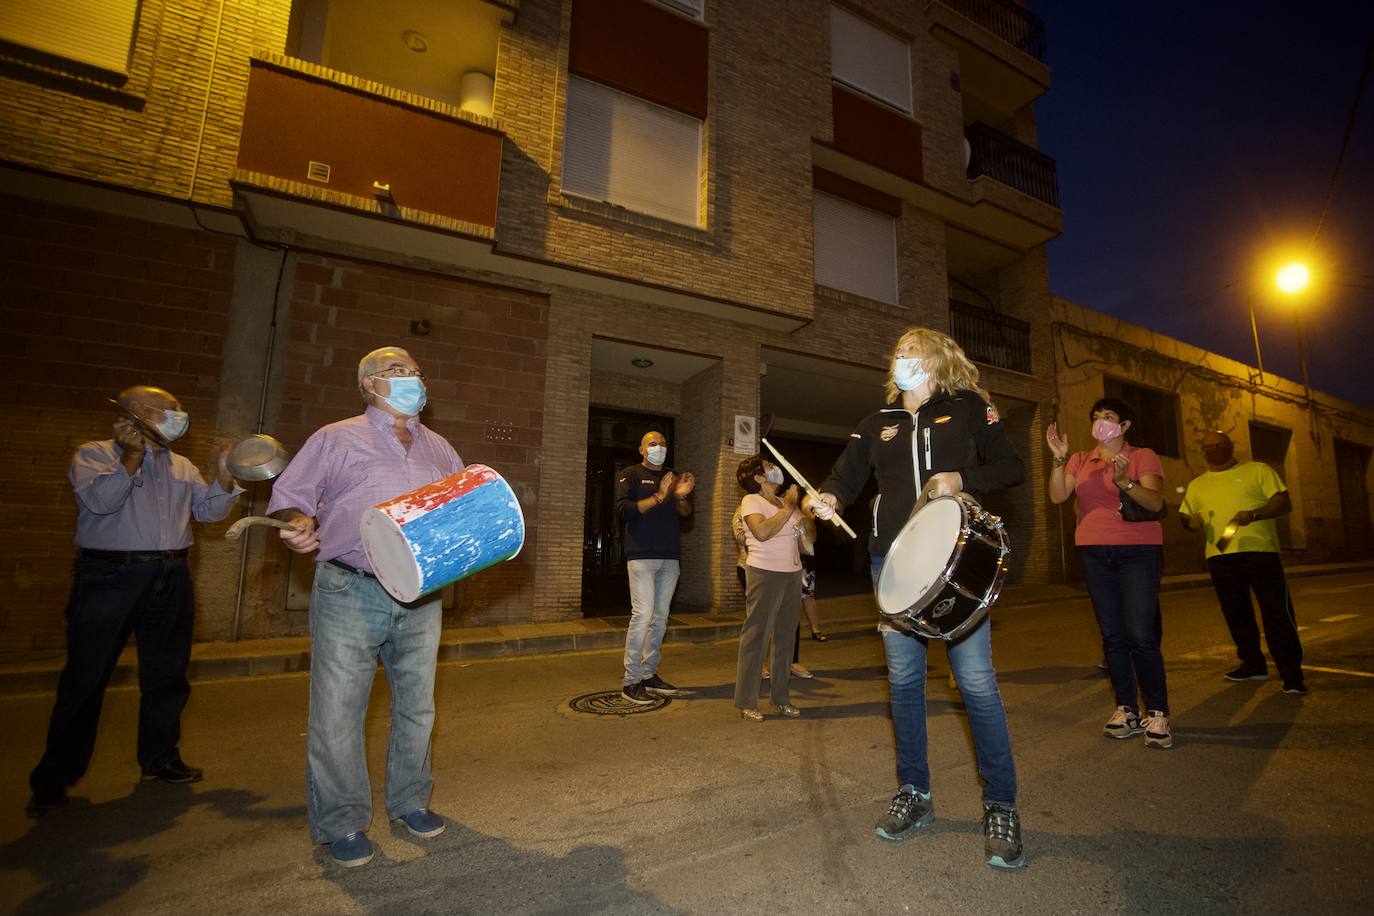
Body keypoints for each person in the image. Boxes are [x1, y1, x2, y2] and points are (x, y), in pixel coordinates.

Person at [808, 327, 1027, 869]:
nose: (902, 357)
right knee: (904, 683)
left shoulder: (970, 407)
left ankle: (1001, 804)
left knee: (976, 682)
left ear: (937, 359)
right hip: (894, 563)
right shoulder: (874, 424)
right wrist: (828, 497)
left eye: (912, 350)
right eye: (898, 352)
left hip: (955, 557)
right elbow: (846, 478)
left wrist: (962, 477)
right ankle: (915, 794)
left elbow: (1012, 469)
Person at [269, 346, 462, 868]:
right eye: (396, 371)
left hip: (420, 595)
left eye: (415, 370)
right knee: (337, 711)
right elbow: (292, 496)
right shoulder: (335, 438)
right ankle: (342, 823)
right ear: (369, 385)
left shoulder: (440, 449)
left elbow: (460, 511)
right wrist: (296, 522)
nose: (410, 378)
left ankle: (409, 803)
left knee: (417, 707)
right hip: (350, 587)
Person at [27, 387, 241, 816]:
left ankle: (160, 759)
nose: (179, 416)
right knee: (87, 678)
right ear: (136, 414)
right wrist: (130, 457)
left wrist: (222, 474)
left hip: (171, 573)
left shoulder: (179, 465)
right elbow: (101, 502)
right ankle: (54, 778)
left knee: (168, 674)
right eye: (170, 410)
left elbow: (210, 513)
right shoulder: (94, 455)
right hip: (111, 574)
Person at [1047, 397, 1172, 749]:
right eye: (1096, 416)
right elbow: (1058, 496)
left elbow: (1156, 502)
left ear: (1125, 425)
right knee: (1112, 634)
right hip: (1092, 551)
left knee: (1140, 633)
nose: (1101, 422)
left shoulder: (1141, 456)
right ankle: (1127, 709)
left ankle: (1158, 712)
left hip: (1138, 551)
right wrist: (1058, 458)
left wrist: (1125, 482)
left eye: (1109, 416)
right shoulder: (1080, 459)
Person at [1180, 431, 1305, 693]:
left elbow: (1283, 502)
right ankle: (1253, 664)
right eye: (1210, 446)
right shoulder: (1197, 484)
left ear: (1231, 446)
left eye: (1221, 444)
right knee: (1236, 613)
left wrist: (1256, 514)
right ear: (1203, 452)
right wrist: (1191, 523)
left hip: (1260, 552)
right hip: (1220, 556)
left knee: (1276, 612)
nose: (1216, 449)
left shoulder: (1258, 470)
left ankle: (1291, 674)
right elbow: (1186, 517)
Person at [733, 455, 815, 720]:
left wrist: (808, 510)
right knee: (756, 636)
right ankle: (747, 702)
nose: (776, 470)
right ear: (757, 477)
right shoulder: (751, 501)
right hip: (764, 573)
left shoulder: (785, 502)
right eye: (769, 467)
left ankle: (781, 698)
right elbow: (762, 532)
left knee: (785, 639)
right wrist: (789, 507)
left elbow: (809, 540)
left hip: (792, 573)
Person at [616, 431, 694, 704]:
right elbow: (624, 511)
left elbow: (686, 517)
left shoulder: (672, 476)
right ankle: (631, 681)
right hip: (641, 557)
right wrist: (660, 495)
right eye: (652, 443)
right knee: (643, 615)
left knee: (660, 618)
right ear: (641, 449)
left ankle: (649, 674)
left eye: (662, 443)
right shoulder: (632, 474)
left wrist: (681, 496)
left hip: (669, 557)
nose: (658, 447)